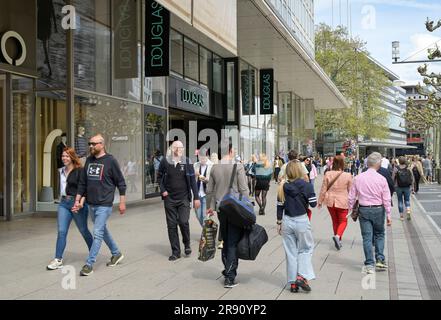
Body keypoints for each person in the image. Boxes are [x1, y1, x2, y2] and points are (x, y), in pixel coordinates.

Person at [73, 134, 127, 276]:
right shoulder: (89, 160)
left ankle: (89, 264)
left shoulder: (111, 161)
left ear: (102, 145)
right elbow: (83, 183)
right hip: (91, 203)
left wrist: (122, 202)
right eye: (89, 143)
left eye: (93, 144)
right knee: (102, 230)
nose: (91, 146)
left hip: (104, 204)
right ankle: (116, 253)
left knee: (97, 233)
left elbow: (121, 183)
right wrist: (78, 200)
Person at [206, 141, 249, 288]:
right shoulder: (238, 166)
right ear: (230, 151)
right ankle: (230, 277)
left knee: (225, 240)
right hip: (235, 210)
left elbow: (209, 191)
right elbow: (244, 190)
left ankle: (227, 269)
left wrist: (210, 207)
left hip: (221, 210)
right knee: (232, 243)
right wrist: (246, 208)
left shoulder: (214, 168)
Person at [47, 147, 93, 270]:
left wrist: (80, 203)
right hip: (63, 203)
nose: (64, 158)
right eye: (63, 156)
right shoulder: (61, 170)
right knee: (62, 231)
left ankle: (93, 253)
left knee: (83, 230)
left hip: (76, 203)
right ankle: (58, 259)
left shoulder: (80, 170)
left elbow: (84, 188)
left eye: (67, 156)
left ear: (72, 157)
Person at [277, 161, 317, 293]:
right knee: (306, 249)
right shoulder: (307, 186)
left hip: (287, 220)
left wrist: (279, 222)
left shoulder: (283, 186)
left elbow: (280, 205)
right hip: (301, 220)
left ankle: (293, 283)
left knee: (291, 252)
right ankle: (302, 276)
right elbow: (313, 204)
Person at [348, 152, 392, 275]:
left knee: (367, 237)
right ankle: (380, 259)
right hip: (378, 209)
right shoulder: (382, 179)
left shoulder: (358, 177)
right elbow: (386, 198)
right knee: (379, 234)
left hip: (364, 209)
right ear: (378, 165)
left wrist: (350, 209)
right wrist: (388, 214)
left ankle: (369, 264)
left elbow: (351, 196)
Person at [157, 141, 200, 261]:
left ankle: (187, 244)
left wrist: (196, 197)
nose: (178, 149)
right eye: (176, 147)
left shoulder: (187, 162)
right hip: (169, 198)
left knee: (183, 221)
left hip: (184, 198)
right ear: (172, 148)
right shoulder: (165, 161)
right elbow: (159, 176)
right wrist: (163, 190)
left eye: (181, 147)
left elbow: (192, 181)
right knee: (171, 225)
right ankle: (175, 252)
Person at [318, 155, 353, 250]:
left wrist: (320, 201)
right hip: (343, 201)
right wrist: (353, 204)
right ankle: (338, 236)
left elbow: (323, 189)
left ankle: (338, 239)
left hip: (330, 201)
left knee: (335, 221)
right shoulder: (348, 175)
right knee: (343, 221)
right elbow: (351, 191)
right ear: (343, 163)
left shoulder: (328, 174)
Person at [193, 149, 212, 227]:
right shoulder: (195, 165)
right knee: (198, 215)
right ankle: (206, 230)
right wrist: (194, 174)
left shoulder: (211, 165)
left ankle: (205, 235)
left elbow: (212, 181)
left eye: (203, 158)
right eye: (200, 158)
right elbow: (192, 179)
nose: (201, 160)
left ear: (207, 156)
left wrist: (204, 178)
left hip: (206, 194)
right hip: (197, 194)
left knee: (204, 216)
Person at [392, 156, 414, 221]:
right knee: (407, 200)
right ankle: (408, 211)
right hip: (407, 186)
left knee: (400, 201)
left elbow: (392, 177)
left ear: (399, 161)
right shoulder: (409, 168)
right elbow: (412, 178)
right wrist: (412, 187)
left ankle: (401, 216)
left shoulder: (396, 168)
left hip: (398, 187)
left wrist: (393, 185)